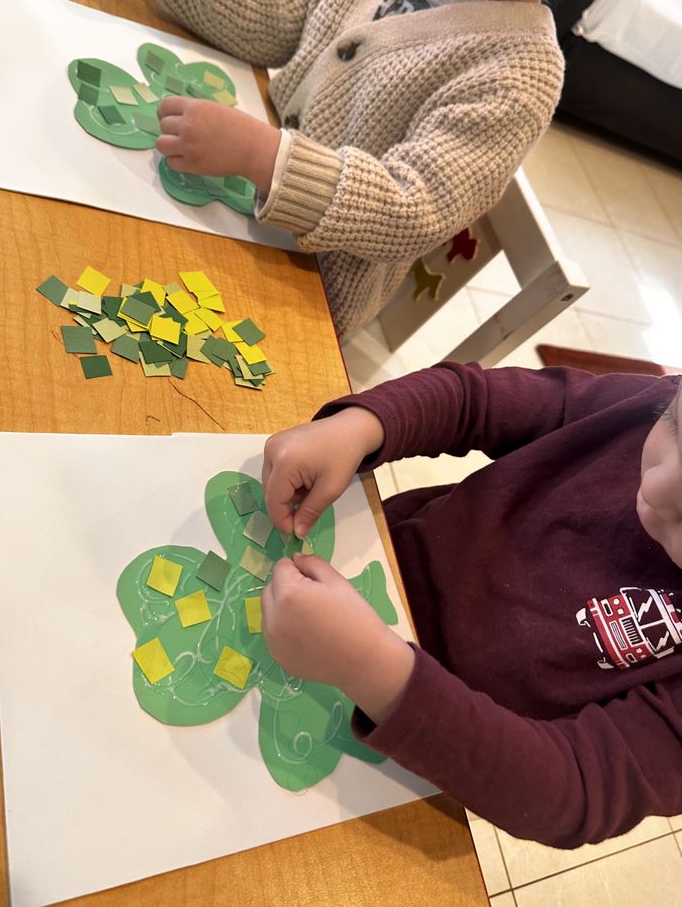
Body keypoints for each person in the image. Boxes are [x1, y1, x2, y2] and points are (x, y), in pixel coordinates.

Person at [108, 0, 668, 338]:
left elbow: (410, 207)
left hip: (300, 294)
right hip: (220, 200)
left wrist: (264, 157)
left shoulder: (519, 76)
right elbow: (272, 19)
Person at [260, 363, 682, 847]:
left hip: (423, 755)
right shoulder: (638, 402)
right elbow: (474, 400)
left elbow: (574, 792)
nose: (654, 487)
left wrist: (368, 667)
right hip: (381, 557)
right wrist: (362, 425)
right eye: (672, 423)